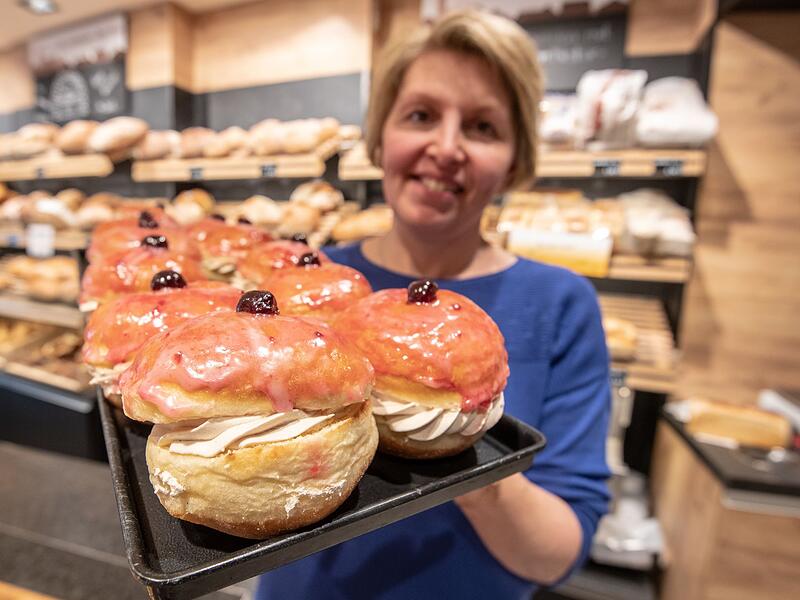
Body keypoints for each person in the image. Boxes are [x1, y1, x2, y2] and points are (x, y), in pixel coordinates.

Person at [257, 10, 610, 599]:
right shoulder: (312, 287)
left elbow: (559, 553)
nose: (446, 148)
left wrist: (464, 452)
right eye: (421, 115)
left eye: (482, 127)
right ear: (380, 135)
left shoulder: (561, 304)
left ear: (516, 158)